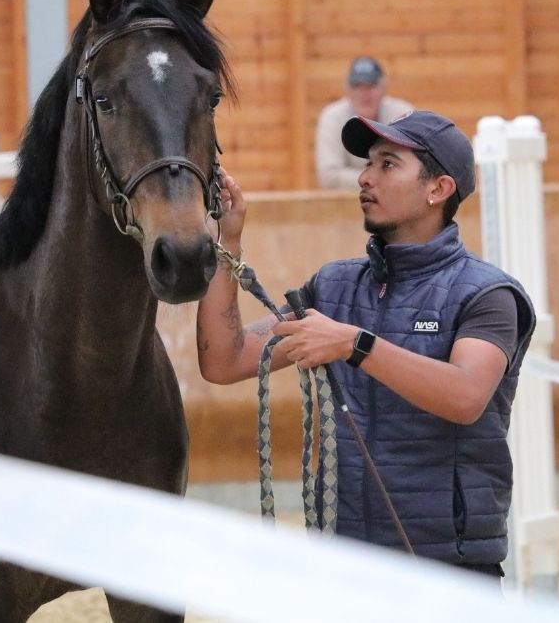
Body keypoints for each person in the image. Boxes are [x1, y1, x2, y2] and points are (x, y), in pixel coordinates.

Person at [197, 110, 536, 579]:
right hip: (345, 569)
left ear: (438, 189)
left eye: (388, 164)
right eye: (368, 163)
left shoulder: (488, 295)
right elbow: (224, 359)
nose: (365, 177)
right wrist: (227, 240)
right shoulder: (334, 288)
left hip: (451, 572)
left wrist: (355, 345)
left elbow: (465, 397)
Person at [315, 56, 413, 189]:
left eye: (371, 86)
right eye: (357, 86)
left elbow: (412, 169)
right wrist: (381, 179)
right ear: (348, 90)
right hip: (346, 204)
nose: (364, 94)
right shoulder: (332, 117)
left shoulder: (402, 114)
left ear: (383, 88)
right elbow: (329, 176)